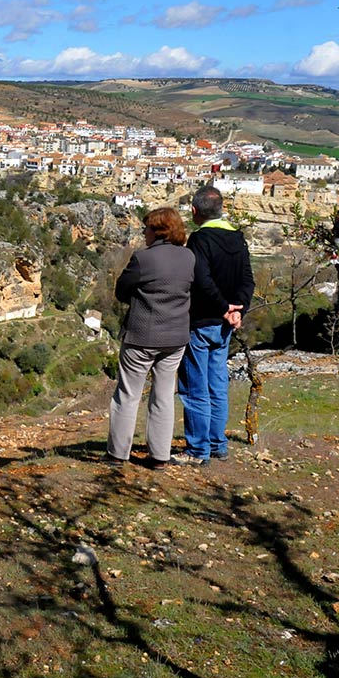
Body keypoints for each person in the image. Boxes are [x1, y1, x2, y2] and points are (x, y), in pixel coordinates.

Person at [106, 207, 196, 469]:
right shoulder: (189, 258)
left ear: (157, 231)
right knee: (164, 395)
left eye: (146, 228)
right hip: (176, 336)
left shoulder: (143, 259)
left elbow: (122, 291)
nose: (143, 233)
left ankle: (117, 454)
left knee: (128, 394)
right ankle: (159, 456)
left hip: (142, 336)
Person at [173, 185, 255, 467]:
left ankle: (197, 450)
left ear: (195, 211)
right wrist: (237, 309)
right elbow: (248, 280)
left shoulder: (200, 240)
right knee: (217, 384)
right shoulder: (238, 239)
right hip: (225, 324)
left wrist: (223, 308)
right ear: (221, 209)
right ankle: (218, 443)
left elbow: (202, 280)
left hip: (202, 321)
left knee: (194, 386)